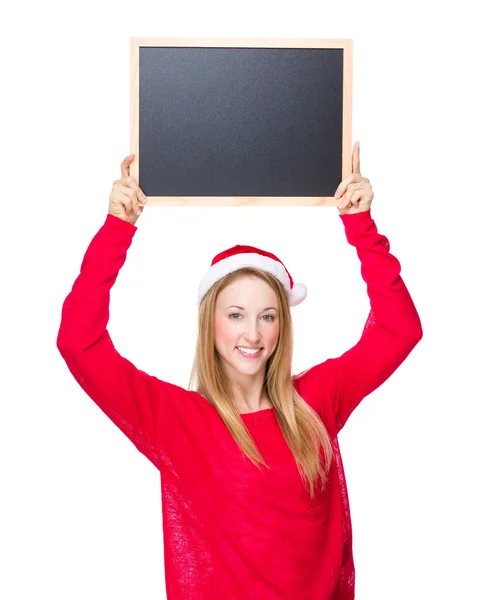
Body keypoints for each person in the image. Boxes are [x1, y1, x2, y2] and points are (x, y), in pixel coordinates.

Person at [56, 142, 423, 599]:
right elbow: (78, 342)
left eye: (267, 316)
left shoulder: (317, 400)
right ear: (210, 322)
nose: (252, 333)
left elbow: (399, 330)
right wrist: (118, 227)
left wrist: (360, 224)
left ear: (282, 325)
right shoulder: (174, 419)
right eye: (235, 314)